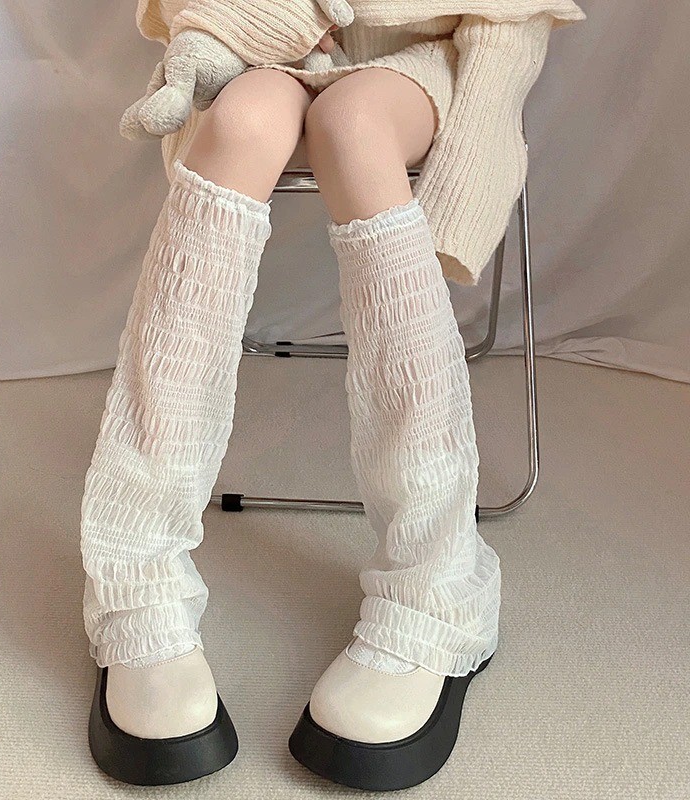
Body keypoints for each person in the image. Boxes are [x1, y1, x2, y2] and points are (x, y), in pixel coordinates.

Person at [80, 0, 585, 790]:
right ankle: (134, 573)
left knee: (353, 124)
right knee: (242, 121)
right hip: (256, 38)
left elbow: (511, 18)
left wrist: (461, 191)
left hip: (423, 61)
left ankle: (438, 585)